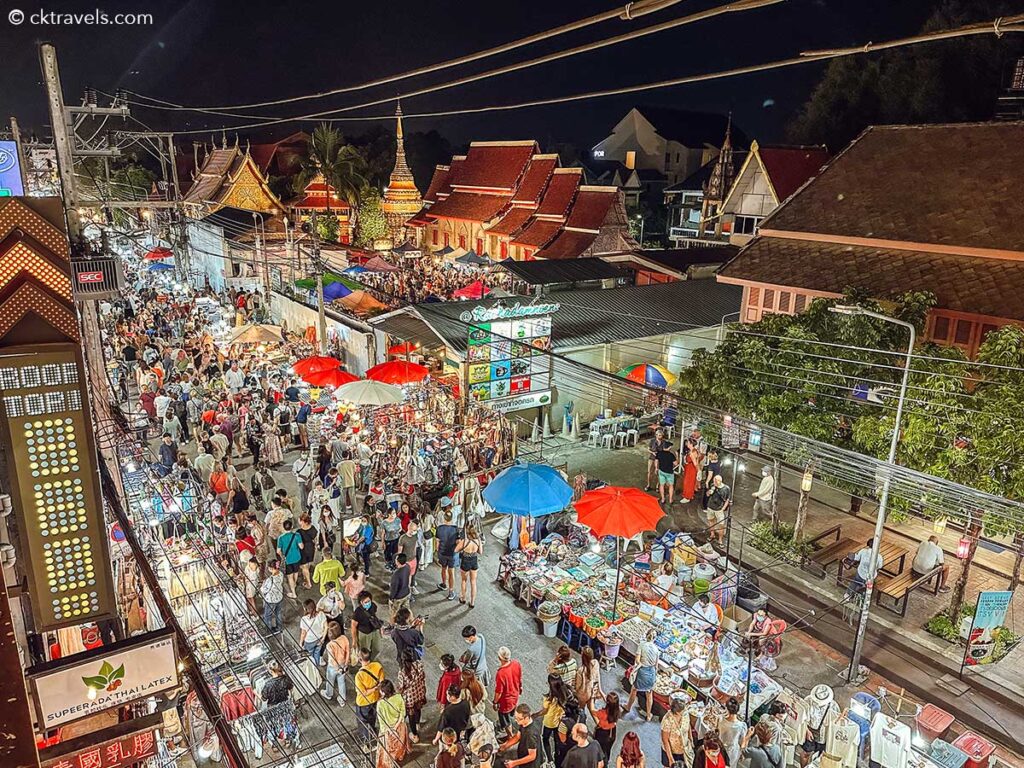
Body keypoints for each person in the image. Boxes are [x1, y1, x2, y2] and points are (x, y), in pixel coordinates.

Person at [537, 674, 571, 764]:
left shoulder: (548, 699)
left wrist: (535, 715)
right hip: (558, 722)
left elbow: (544, 711)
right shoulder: (564, 695)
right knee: (557, 739)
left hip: (548, 722)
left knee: (545, 738)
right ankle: (557, 755)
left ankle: (550, 759)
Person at [625, 629, 659, 721]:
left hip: (642, 672)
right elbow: (656, 666)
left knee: (634, 690)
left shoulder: (642, 645)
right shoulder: (656, 649)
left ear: (646, 635)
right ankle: (648, 715)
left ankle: (628, 707)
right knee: (649, 694)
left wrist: (639, 665)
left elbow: (637, 660)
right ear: (655, 638)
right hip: (651, 673)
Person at [376, 679, 411, 768]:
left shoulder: (380, 704)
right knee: (400, 745)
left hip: (387, 730)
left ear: (383, 692)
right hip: (399, 727)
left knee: (387, 748)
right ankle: (399, 756)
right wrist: (396, 727)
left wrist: (390, 730)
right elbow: (402, 713)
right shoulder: (399, 697)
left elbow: (381, 721)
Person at [354, 647, 385, 743]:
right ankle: (372, 732)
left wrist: (372, 689)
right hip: (375, 699)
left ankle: (368, 742)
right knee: (372, 719)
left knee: (364, 723)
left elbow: (363, 692)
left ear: (360, 660)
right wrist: (377, 690)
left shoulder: (359, 675)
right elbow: (382, 682)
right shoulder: (378, 666)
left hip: (363, 703)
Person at [397, 648, 427, 744]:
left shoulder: (402, 672)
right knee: (418, 708)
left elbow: (401, 687)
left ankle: (414, 735)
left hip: (409, 697)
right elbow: (423, 676)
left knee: (411, 715)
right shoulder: (419, 665)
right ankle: (418, 724)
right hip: (419, 691)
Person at [494, 646, 523, 738]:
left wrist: (495, 702)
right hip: (515, 695)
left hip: (506, 701)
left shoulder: (501, 673)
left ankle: (510, 735)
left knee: (505, 720)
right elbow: (519, 678)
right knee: (511, 712)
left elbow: (499, 691)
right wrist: (520, 688)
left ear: (499, 658)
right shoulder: (516, 664)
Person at [660, 697, 694, 767]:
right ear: (676, 712)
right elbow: (665, 740)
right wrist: (670, 758)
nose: (684, 711)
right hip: (671, 750)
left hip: (683, 748)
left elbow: (688, 725)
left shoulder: (685, 713)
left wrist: (691, 739)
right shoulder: (667, 720)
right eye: (681, 711)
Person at [321, 622, 350, 705]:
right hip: (343, 664)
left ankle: (328, 694)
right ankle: (342, 699)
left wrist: (337, 669)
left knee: (330, 680)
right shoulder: (344, 638)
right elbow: (348, 651)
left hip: (333, 667)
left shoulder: (330, 645)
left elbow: (333, 659)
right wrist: (346, 664)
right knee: (341, 682)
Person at [435, 510, 461, 601]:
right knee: (451, 572)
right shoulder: (456, 529)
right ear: (452, 518)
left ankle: (443, 584)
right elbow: (458, 542)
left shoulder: (439, 528)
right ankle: (451, 591)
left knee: (443, 569)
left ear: (444, 518)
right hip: (452, 554)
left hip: (442, 553)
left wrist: (438, 551)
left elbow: (437, 543)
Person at [351, 589, 383, 661]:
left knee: (377, 648)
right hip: (364, 634)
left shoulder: (373, 606)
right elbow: (353, 626)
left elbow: (375, 616)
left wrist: (380, 629)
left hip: (374, 631)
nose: (368, 603)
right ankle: (365, 662)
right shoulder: (357, 613)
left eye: (369, 601)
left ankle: (371, 659)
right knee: (365, 651)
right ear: (361, 602)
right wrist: (354, 640)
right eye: (365, 602)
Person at [589, 692, 620, 764]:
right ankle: (607, 759)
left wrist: (592, 697)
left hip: (602, 733)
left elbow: (592, 709)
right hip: (612, 732)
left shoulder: (602, 713)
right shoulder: (617, 711)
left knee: (600, 749)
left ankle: (601, 762)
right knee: (607, 749)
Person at [456, 523, 483, 607]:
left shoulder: (464, 541)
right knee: (473, 582)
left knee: (464, 580)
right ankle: (472, 602)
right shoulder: (478, 541)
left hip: (465, 560)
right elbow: (481, 552)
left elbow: (456, 550)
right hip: (474, 560)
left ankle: (463, 598)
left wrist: (459, 544)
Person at [574, 646, 604, 721]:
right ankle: (600, 725)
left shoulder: (581, 671)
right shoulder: (596, 663)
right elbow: (597, 677)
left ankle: (581, 722)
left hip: (583, 694)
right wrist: (600, 691)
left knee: (581, 710)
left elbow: (578, 686)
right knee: (592, 709)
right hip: (592, 690)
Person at [276, 519, 303, 598]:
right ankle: (294, 583)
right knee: (296, 572)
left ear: (284, 528)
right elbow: (301, 547)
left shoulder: (281, 538)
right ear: (291, 527)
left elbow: (278, 551)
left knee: (290, 576)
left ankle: (293, 593)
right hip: (297, 558)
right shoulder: (297, 535)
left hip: (288, 560)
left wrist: (282, 556)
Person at [718, 697, 747, 766]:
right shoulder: (741, 726)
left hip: (720, 749)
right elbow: (742, 742)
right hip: (733, 752)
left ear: (727, 709)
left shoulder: (720, 720)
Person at [299, 599, 328, 665]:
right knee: (317, 652)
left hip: (309, 641)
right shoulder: (321, 614)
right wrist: (323, 639)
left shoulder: (304, 619)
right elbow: (326, 627)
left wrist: (300, 643)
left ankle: (312, 667)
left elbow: (303, 633)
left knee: (309, 655)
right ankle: (316, 666)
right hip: (320, 638)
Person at [705, 475, 732, 546]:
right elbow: (707, 495)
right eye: (714, 481)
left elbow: (727, 499)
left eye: (715, 481)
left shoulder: (726, 489)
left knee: (721, 525)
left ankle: (720, 540)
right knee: (711, 521)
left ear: (720, 481)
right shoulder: (712, 485)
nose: (714, 482)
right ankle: (712, 534)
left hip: (719, 509)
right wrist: (709, 492)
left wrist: (723, 509)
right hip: (710, 507)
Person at [259, 560, 284, 633]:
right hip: (279, 597)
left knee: (267, 615)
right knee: (278, 613)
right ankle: (279, 627)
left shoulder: (270, 579)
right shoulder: (281, 574)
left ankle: (269, 629)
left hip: (271, 600)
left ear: (271, 568)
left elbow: (264, 590)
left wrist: (263, 584)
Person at [297, 514, 318, 590]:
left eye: (300, 520)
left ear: (303, 521)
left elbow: (299, 544)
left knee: (304, 567)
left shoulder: (299, 532)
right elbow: (315, 540)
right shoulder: (313, 529)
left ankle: (308, 583)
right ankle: (306, 574)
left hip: (304, 550)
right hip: (311, 548)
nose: (298, 521)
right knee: (308, 563)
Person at [389, 553, 412, 620]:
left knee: (394, 613)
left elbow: (394, 588)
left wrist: (391, 598)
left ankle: (392, 626)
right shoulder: (407, 566)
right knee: (407, 611)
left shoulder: (396, 574)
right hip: (407, 593)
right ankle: (410, 622)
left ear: (398, 562)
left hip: (399, 597)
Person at [655, 440, 678, 505]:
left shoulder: (659, 453)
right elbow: (676, 464)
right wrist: (677, 456)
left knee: (661, 485)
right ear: (669, 447)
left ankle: (663, 499)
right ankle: (670, 499)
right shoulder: (671, 455)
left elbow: (656, 461)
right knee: (671, 485)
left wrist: (656, 468)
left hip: (661, 471)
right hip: (669, 473)